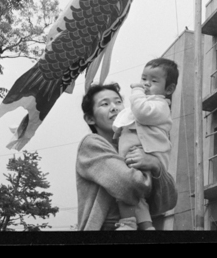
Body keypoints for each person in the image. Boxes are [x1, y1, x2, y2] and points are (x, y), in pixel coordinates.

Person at [76, 81, 178, 231]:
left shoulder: (132, 145)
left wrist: (155, 165)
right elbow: (130, 185)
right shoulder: (92, 145)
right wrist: (152, 172)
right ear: (90, 119)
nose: (114, 108)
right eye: (105, 104)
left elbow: (168, 202)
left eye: (118, 102)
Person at [112, 58, 178, 230]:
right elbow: (126, 120)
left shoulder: (160, 105)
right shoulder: (141, 104)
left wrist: (136, 92)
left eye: (154, 81)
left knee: (125, 186)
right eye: (143, 78)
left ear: (169, 89)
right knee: (137, 197)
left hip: (144, 155)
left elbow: (141, 112)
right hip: (133, 157)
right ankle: (147, 227)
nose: (146, 84)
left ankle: (128, 223)